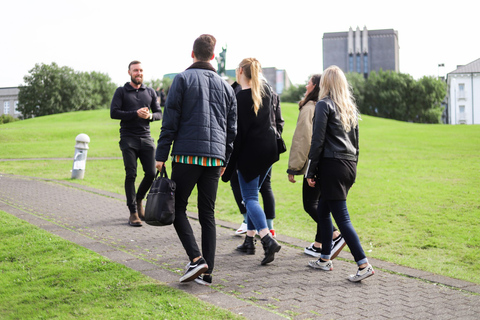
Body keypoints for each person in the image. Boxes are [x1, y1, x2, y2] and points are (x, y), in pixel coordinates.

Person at [155, 34, 237, 286]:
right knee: (207, 214)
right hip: (214, 160)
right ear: (213, 56)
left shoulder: (182, 79)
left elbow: (170, 121)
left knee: (178, 208)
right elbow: (232, 129)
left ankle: (196, 258)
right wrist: (225, 159)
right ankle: (207, 272)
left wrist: (161, 155)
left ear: (193, 53)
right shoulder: (226, 87)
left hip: (186, 156)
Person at [305, 65, 374, 282]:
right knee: (324, 211)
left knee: (342, 218)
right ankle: (325, 258)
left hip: (331, 165)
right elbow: (357, 144)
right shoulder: (349, 108)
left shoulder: (324, 105)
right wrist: (352, 170)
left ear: (326, 83)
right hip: (348, 165)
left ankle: (363, 264)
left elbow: (317, 142)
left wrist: (311, 170)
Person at [222, 58, 281, 265]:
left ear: (240, 71)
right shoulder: (264, 92)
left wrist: (226, 166)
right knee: (254, 194)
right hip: (269, 152)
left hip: (251, 155)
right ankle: (249, 241)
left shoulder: (240, 98)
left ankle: (266, 239)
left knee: (249, 199)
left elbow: (238, 138)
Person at [287, 74, 346, 258]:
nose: (306, 86)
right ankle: (319, 244)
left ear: (315, 87)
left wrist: (294, 168)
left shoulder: (310, 108)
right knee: (321, 204)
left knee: (310, 204)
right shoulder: (331, 107)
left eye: (309, 84)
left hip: (313, 165)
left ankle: (335, 234)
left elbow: (302, 140)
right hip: (328, 163)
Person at [110, 60, 162, 227]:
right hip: (128, 138)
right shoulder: (121, 91)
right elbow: (114, 113)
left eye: (140, 70)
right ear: (129, 72)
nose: (138, 73)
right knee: (131, 174)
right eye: (135, 71)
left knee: (151, 173)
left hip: (146, 138)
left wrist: (149, 117)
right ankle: (133, 212)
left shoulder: (150, 92)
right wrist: (135, 113)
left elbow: (159, 113)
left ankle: (139, 199)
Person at [230, 80, 283, 238]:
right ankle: (250, 237)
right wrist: (274, 136)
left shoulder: (241, 94)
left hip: (249, 152)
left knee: (250, 197)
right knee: (260, 189)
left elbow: (239, 130)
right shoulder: (269, 91)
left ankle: (266, 236)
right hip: (269, 148)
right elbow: (278, 121)